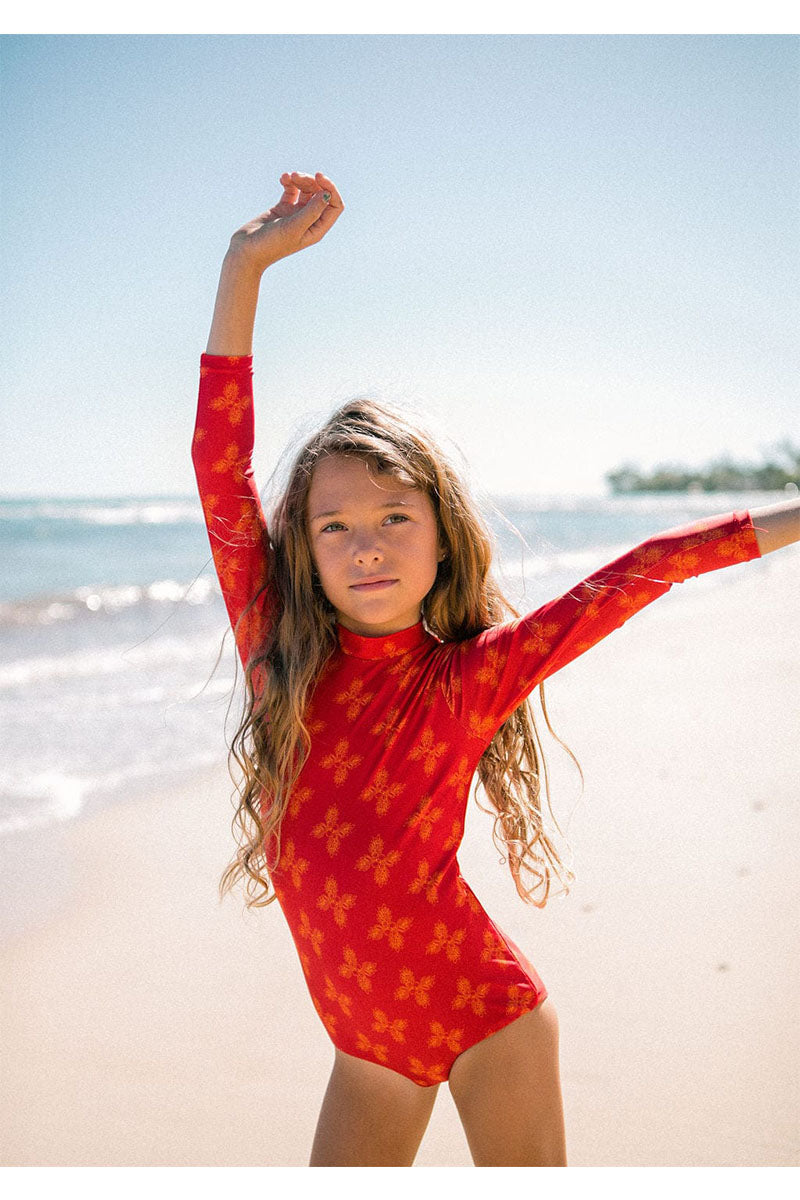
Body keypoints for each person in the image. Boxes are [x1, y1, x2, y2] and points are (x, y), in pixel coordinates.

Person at [192, 170, 799, 1168]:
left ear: (441, 543)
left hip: (485, 1019)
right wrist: (242, 264)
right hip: (364, 1047)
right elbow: (220, 468)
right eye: (334, 524)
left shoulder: (470, 677)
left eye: (395, 518)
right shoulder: (277, 650)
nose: (366, 545)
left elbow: (645, 569)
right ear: (300, 548)